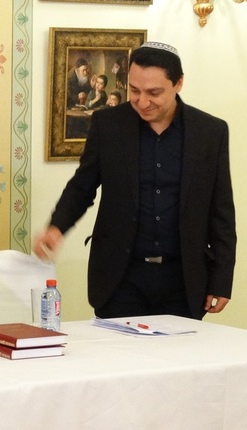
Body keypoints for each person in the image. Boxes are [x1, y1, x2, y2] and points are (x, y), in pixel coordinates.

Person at [33, 41, 236, 320]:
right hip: (120, 278)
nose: (142, 102)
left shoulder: (210, 132)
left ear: (178, 83)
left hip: (184, 280)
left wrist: (222, 279)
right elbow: (83, 186)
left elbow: (221, 210)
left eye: (154, 93)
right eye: (134, 90)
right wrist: (57, 227)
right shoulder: (108, 125)